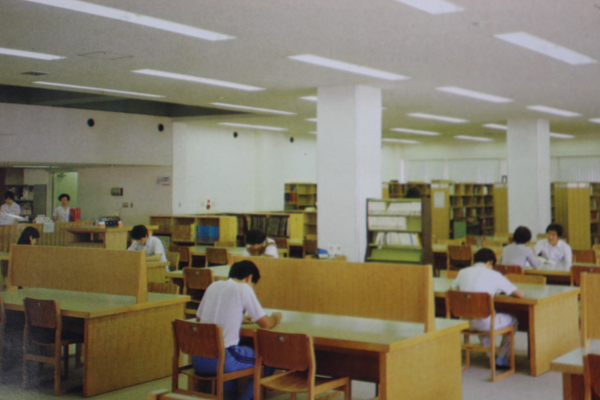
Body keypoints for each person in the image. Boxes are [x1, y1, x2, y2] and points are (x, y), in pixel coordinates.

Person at [193, 260, 282, 400]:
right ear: (249, 278)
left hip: (198, 359)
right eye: (253, 284)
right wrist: (275, 318)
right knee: (268, 360)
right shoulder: (243, 288)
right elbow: (265, 324)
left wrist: (236, 319)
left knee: (235, 360)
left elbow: (199, 318)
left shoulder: (213, 285)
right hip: (222, 359)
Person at [451, 248, 525, 369]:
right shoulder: (494, 275)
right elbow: (520, 294)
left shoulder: (462, 272)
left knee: (483, 314)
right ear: (490, 262)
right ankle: (501, 358)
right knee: (513, 320)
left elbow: (453, 289)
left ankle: (491, 354)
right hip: (484, 323)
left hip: (464, 322)